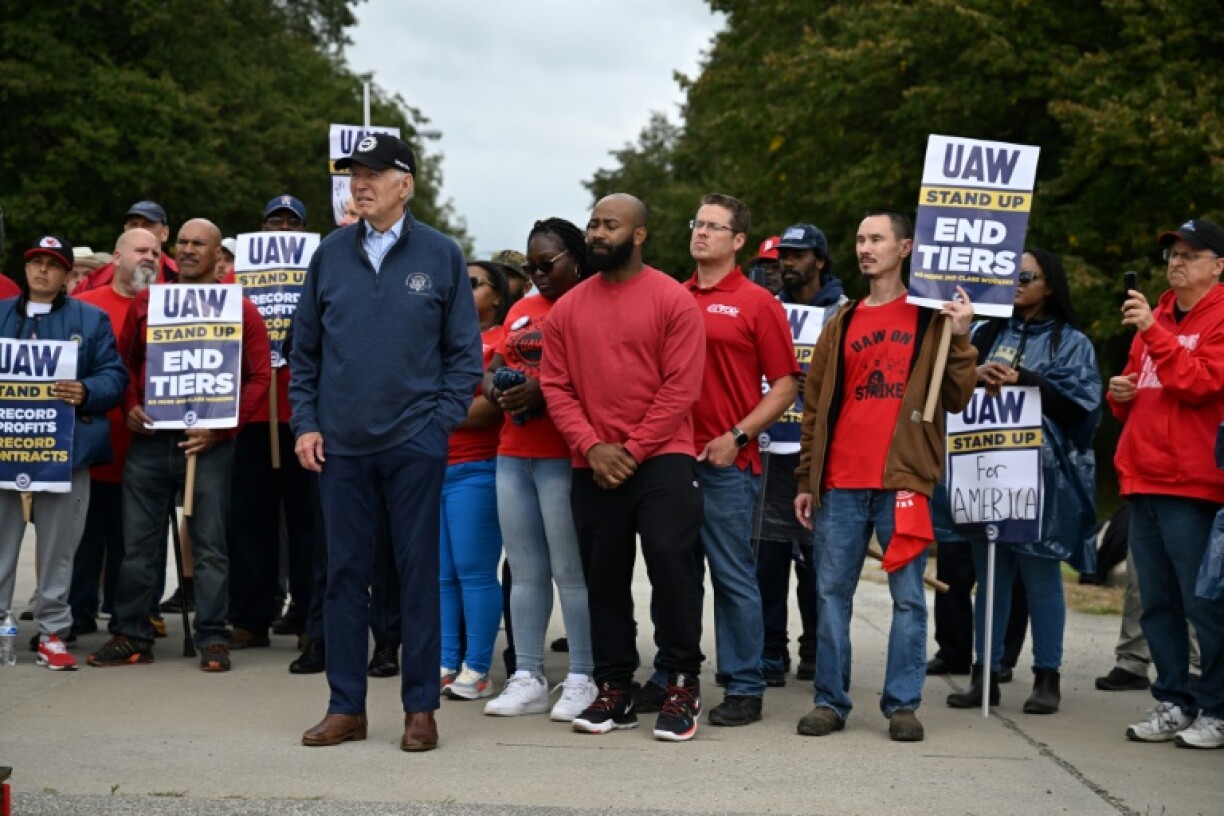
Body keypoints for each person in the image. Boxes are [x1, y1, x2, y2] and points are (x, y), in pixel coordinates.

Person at [291, 133, 483, 753]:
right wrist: (306, 423)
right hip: (341, 446)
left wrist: (437, 426)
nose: (360, 183)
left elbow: (464, 356)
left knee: (417, 576)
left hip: (413, 444)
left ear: (406, 184)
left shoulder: (441, 254)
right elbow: (304, 353)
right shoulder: (329, 254)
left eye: (373, 173)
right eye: (354, 173)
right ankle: (345, 707)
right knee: (343, 577)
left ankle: (420, 708)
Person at [793, 211, 976, 742]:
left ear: (905, 248)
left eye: (876, 239)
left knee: (909, 598)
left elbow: (957, 397)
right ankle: (830, 701)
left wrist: (961, 337)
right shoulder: (841, 321)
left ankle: (902, 705)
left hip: (904, 481)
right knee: (831, 596)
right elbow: (814, 409)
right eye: (859, 239)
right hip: (841, 483)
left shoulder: (932, 320)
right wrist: (807, 479)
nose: (865, 248)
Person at [542, 193, 708, 742]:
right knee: (604, 578)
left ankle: (681, 682)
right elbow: (556, 386)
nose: (596, 233)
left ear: (638, 235)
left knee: (672, 568)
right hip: (592, 462)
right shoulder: (568, 308)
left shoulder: (673, 300)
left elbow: (681, 388)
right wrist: (592, 447)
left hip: (662, 457)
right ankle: (614, 687)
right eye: (593, 223)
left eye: (610, 225)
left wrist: (632, 450)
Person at [640, 194, 797, 728]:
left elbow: (785, 386)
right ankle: (670, 673)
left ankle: (744, 684)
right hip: (670, 459)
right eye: (698, 223)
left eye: (714, 226)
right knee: (672, 575)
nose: (701, 232)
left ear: (738, 241)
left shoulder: (758, 302)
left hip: (726, 463)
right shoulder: (671, 295)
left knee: (732, 576)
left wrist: (738, 435)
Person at [87, 218, 270, 673]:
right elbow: (124, 363)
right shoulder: (149, 301)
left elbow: (259, 376)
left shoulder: (240, 308)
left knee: (210, 546)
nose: (187, 250)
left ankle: (213, 636)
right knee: (137, 545)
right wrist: (130, 403)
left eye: (198, 244)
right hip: (151, 441)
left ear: (217, 256)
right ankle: (131, 634)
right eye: (182, 242)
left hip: (209, 444)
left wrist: (222, 430)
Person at [940, 248, 1101, 715]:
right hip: (983, 468)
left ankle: (1047, 676)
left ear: (1049, 285)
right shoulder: (985, 332)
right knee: (990, 578)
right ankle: (984, 675)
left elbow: (1082, 410)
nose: (1016, 283)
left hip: (1039, 476)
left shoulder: (1072, 342)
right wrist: (976, 373)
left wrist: (1027, 380)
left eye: (1026, 277)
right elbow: (948, 386)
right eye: (1011, 275)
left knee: (1041, 577)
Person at [1108, 217, 1224, 749]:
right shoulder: (1156, 315)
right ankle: (1174, 700)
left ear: (1218, 266)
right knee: (1155, 603)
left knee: (1204, 605)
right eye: (1172, 254)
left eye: (1189, 254)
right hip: (1144, 478)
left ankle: (1216, 708)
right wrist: (1121, 392)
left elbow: (1201, 383)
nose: (1176, 262)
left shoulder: (1217, 317)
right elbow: (1139, 391)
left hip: (1194, 484)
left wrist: (1154, 332)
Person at [481, 219, 597, 721]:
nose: (537, 274)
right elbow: (492, 368)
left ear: (575, 257)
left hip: (565, 456)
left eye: (547, 264)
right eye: (531, 267)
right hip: (514, 452)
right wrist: (498, 391)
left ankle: (583, 675)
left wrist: (544, 392)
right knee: (525, 570)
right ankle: (527, 674)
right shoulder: (522, 309)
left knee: (571, 572)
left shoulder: (592, 303)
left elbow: (602, 377)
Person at [0, 236, 127, 670]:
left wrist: (87, 389)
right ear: (25, 268)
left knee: (60, 547)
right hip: (8, 447)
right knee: (2, 543)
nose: (42, 271)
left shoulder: (90, 319)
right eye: (35, 262)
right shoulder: (1, 314)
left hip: (65, 451)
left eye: (52, 265)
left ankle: (53, 631)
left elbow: (115, 376)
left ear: (66, 274)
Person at [228, 195, 322, 654]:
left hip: (305, 417)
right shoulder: (235, 281)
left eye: (292, 221)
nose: (283, 227)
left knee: (309, 523)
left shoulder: (321, 275)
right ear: (261, 229)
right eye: (275, 220)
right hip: (250, 416)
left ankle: (307, 615)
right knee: (249, 521)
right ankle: (251, 616)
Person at [754, 223, 846, 686]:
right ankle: (772, 650)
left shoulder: (843, 313)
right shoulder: (766, 308)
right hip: (770, 447)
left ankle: (815, 648)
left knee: (816, 561)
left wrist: (823, 385)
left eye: (797, 255)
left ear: (820, 261)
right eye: (783, 256)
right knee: (766, 558)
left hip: (818, 452)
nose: (787, 263)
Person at [70, 229, 161, 636]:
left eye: (156, 252)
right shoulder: (84, 306)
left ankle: (134, 618)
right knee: (83, 541)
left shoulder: (170, 306)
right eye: (141, 250)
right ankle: (76, 615)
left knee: (136, 545)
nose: (150, 257)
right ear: (117, 257)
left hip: (146, 452)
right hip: (91, 449)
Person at [434, 261, 508, 700]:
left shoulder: (502, 340)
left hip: (477, 470)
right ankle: (447, 661)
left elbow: (490, 408)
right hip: (433, 469)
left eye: (474, 283)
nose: (462, 288)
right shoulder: (441, 338)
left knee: (474, 572)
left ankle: (478, 668)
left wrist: (432, 412)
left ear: (497, 295)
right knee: (442, 576)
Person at [75, 201, 179, 294]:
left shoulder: (179, 276)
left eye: (147, 225)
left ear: (164, 233)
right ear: (125, 230)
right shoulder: (96, 280)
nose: (139, 230)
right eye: (133, 224)